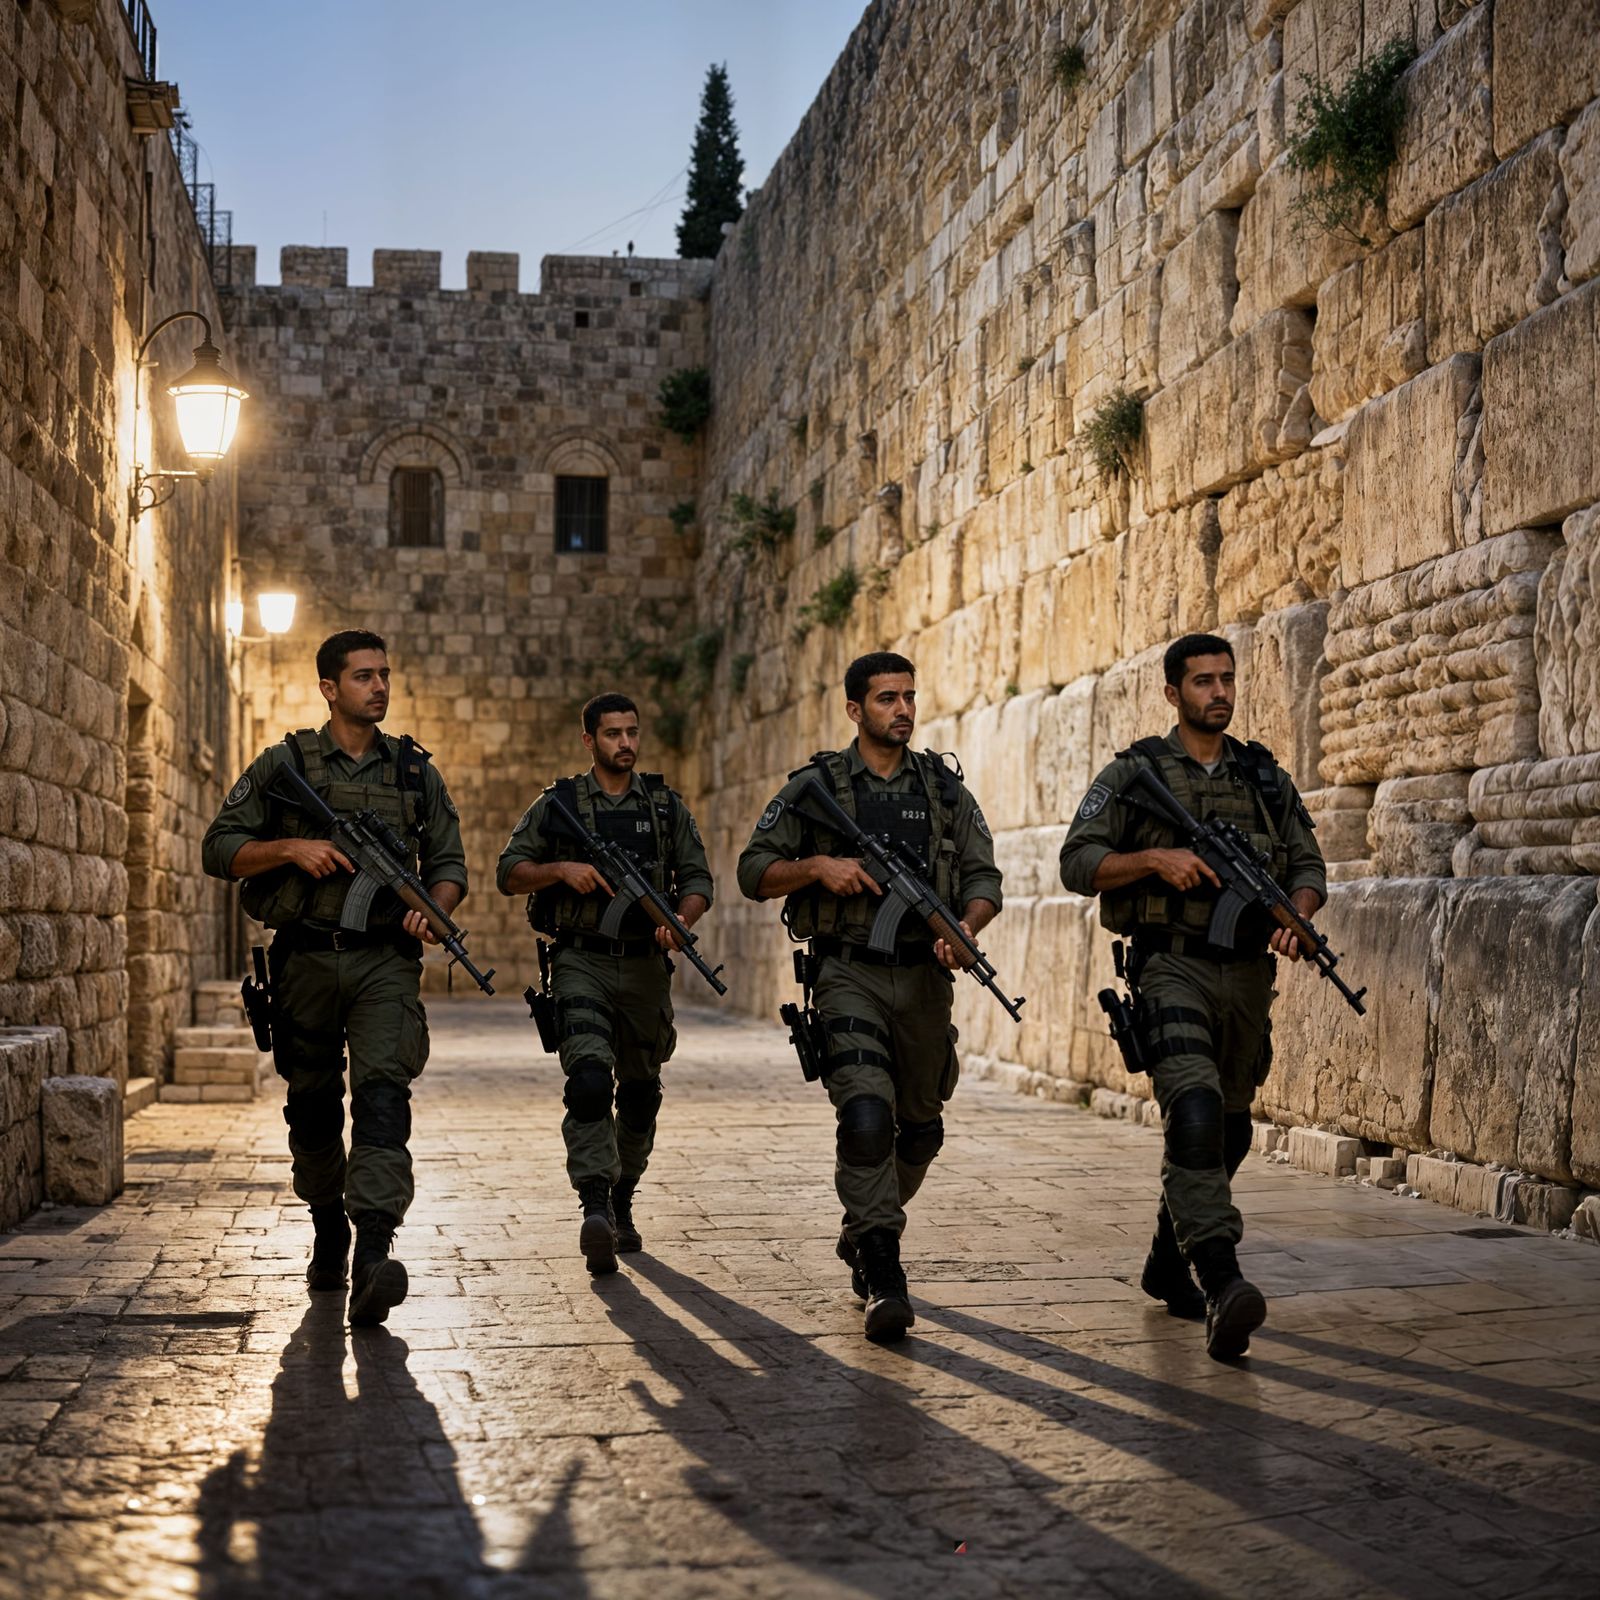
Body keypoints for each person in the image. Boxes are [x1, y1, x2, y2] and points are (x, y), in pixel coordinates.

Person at [1058, 633, 1327, 1360]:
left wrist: (1297, 915)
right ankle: (1219, 1277)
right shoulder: (1135, 773)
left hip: (1244, 974)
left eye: (1228, 679)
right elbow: (1076, 861)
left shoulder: (1264, 778)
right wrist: (1153, 858)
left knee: (1231, 1129)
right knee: (1196, 1110)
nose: (1220, 693)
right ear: (1173, 693)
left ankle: (1166, 1262)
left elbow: (1308, 863)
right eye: (1204, 681)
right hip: (1167, 966)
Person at [202, 629, 468, 1327]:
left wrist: (431, 912)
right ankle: (329, 1226)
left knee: (383, 1100)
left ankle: (373, 1253)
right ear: (329, 687)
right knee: (314, 1108)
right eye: (362, 676)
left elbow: (450, 865)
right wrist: (292, 847)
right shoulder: (285, 763)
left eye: (384, 674)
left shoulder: (414, 773)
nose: (378, 686)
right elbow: (219, 848)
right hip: (307, 960)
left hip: (385, 961)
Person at [737, 652, 1003, 1343]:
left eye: (910, 697)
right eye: (888, 698)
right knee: (863, 1117)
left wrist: (965, 929)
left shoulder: (944, 792)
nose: (903, 710)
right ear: (856, 710)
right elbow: (753, 870)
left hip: (923, 980)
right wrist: (817, 867)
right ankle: (883, 1266)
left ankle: (862, 1227)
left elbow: (983, 878)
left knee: (920, 1127)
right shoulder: (817, 788)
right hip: (846, 970)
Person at [496, 692, 713, 1275]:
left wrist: (681, 920)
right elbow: (508, 872)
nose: (626, 743)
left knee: (640, 1093)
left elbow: (698, 878)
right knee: (590, 1081)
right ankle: (594, 1201)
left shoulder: (665, 808)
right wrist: (559, 870)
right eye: (613, 734)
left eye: (632, 732)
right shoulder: (558, 805)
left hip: (645, 966)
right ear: (589, 740)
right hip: (579, 961)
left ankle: (622, 1196)